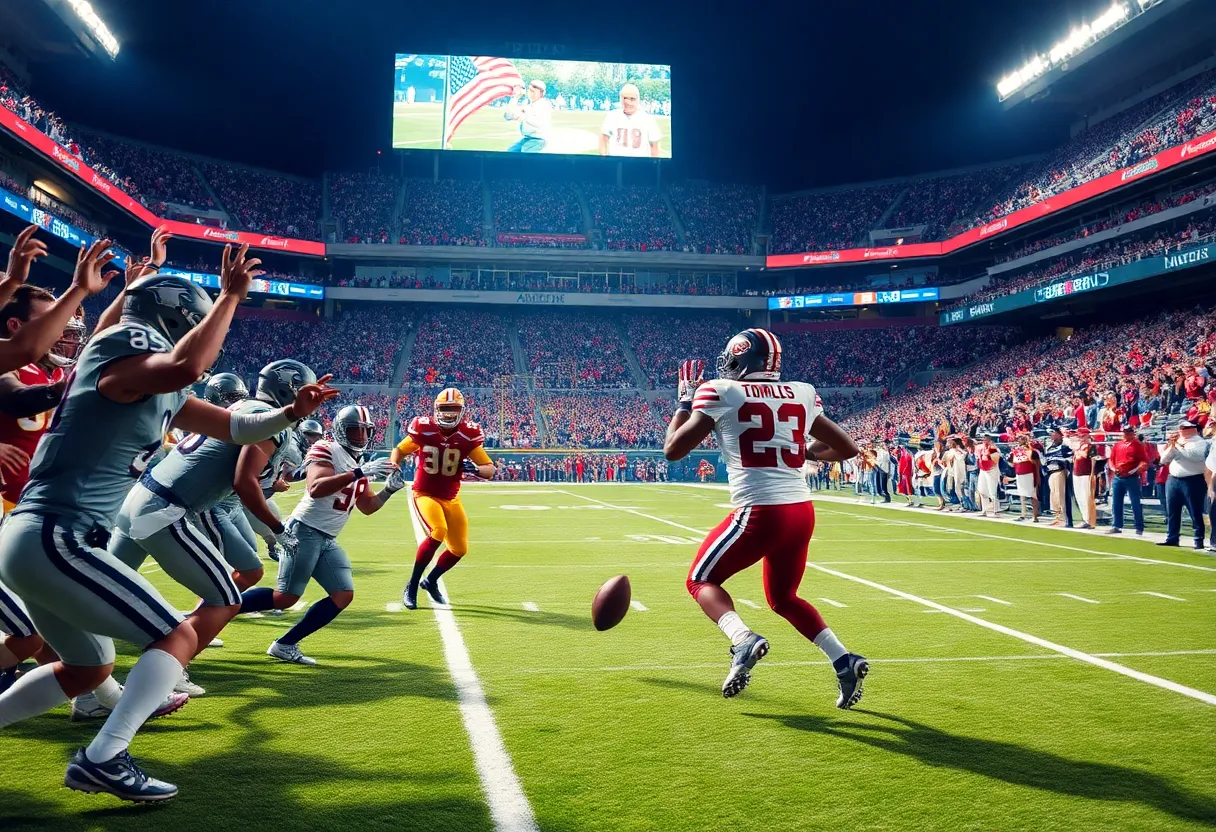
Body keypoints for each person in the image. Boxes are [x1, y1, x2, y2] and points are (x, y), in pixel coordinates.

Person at [0, 243, 335, 801]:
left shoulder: (150, 380)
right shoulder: (124, 351)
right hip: (59, 532)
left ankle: (96, 747)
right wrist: (230, 296)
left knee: (86, 668)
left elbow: (235, 428)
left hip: (43, 536)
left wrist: (290, 415)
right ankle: (105, 757)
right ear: (177, 317)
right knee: (176, 633)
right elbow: (187, 364)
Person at [662, 332, 868, 707]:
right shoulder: (803, 392)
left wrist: (683, 403)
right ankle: (844, 660)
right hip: (801, 512)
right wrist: (799, 450)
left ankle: (742, 639)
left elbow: (673, 450)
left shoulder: (720, 390)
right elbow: (847, 448)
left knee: (700, 580)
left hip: (760, 510)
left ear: (741, 358)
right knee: (784, 598)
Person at [109, 359, 324, 683]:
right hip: (166, 509)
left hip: (140, 498)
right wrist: (278, 530)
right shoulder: (271, 423)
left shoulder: (241, 406)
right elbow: (244, 481)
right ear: (289, 392)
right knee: (225, 598)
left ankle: (67, 678)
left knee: (101, 590)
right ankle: (165, 674)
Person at [239, 405, 402, 665]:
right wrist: (360, 472)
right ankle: (216, 609)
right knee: (285, 598)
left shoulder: (357, 462)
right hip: (304, 530)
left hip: (327, 538)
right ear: (339, 430)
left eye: (364, 431)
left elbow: (367, 506)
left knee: (342, 594)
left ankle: (285, 644)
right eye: (354, 430)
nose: (360, 437)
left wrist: (388, 492)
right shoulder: (326, 449)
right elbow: (315, 488)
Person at [391, 388, 495, 609]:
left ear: (462, 411)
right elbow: (399, 450)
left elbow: (489, 469)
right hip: (425, 493)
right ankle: (412, 585)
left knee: (459, 549)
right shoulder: (423, 428)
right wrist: (394, 468)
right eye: (445, 409)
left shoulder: (468, 433)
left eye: (453, 409)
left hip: (451, 497)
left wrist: (475, 469)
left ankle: (431, 580)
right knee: (438, 531)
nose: (448, 414)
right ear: (436, 409)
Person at [1158, 420, 1208, 548]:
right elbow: (1164, 460)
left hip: (1193, 480)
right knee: (1173, 511)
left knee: (1194, 511)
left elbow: (1195, 457)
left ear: (1193, 429)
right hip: (1174, 479)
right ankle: (1172, 537)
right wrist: (1172, 446)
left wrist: (1178, 445)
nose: (1182, 430)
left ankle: (1198, 538)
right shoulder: (1178, 443)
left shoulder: (1200, 442)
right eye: (1181, 428)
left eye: (1185, 428)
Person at [599, 83, 662, 157]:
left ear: (638, 100)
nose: (628, 102)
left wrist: (653, 166)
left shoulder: (648, 119)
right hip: (617, 165)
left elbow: (655, 147)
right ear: (621, 99)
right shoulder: (612, 116)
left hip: (639, 165)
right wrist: (605, 160)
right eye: (625, 98)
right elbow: (603, 139)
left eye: (632, 99)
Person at [1107, 424, 1148, 536]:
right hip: (1118, 475)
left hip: (1131, 476)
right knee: (1116, 502)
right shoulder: (1117, 445)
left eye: (1128, 432)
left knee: (1135, 502)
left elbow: (1144, 461)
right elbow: (1111, 459)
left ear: (1132, 433)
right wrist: (1113, 468)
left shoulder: (1138, 446)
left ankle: (1139, 526)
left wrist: (1137, 469)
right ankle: (1116, 525)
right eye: (1125, 432)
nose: (1126, 434)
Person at [504, 80, 551, 153]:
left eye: (534, 91)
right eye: (530, 90)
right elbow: (508, 116)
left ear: (541, 93)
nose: (531, 93)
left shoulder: (544, 105)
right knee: (510, 153)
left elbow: (539, 123)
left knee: (524, 157)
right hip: (526, 139)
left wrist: (525, 116)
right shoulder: (527, 106)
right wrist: (515, 97)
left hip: (539, 140)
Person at [1042, 427, 1073, 527]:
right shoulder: (1049, 447)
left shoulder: (1064, 446)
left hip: (1060, 471)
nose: (1051, 435)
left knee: (1060, 495)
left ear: (1059, 434)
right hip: (1051, 472)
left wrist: (1062, 461)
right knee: (1053, 496)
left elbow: (1070, 458)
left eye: (1053, 433)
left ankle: (1063, 518)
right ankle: (1057, 517)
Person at [1069, 428, 1097, 529]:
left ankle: (1089, 520)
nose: (1079, 437)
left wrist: (1092, 474)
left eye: (1081, 435)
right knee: (1080, 497)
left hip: (1086, 473)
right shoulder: (1079, 446)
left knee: (1086, 497)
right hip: (1077, 473)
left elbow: (1092, 459)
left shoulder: (1091, 446)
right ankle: (1085, 518)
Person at [1010, 434, 1039, 522]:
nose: (1019, 441)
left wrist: (1037, 477)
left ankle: (1035, 516)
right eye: (1018, 439)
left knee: (1032, 494)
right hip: (1019, 474)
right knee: (1022, 494)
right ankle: (1023, 514)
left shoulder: (1032, 451)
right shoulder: (1015, 452)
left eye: (1021, 439)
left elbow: (1037, 465)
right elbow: (1012, 464)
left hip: (1029, 474)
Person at [976, 434, 1001, 517]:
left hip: (991, 471)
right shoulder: (981, 449)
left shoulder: (993, 449)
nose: (984, 441)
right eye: (984, 439)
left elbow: (995, 461)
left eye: (986, 440)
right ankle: (984, 510)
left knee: (992, 491)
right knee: (982, 490)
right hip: (983, 470)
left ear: (990, 440)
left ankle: (995, 511)